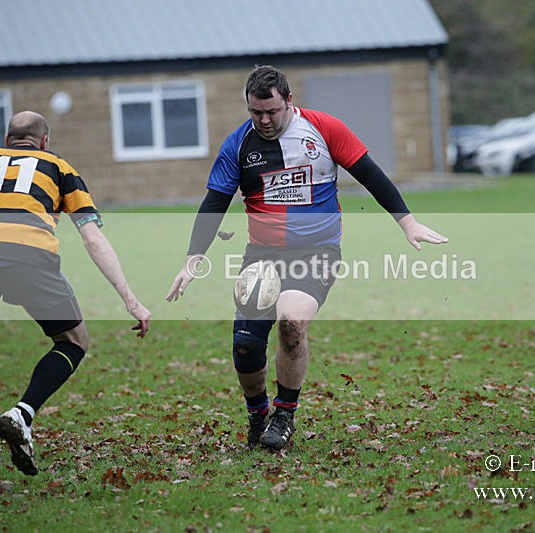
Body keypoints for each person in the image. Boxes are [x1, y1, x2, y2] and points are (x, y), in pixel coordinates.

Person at [166, 65, 447, 451]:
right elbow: (214, 203)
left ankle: (284, 415)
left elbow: (370, 174)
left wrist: (407, 222)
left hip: (317, 253)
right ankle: (257, 414)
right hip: (262, 256)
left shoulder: (325, 129)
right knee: (246, 346)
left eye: (272, 111)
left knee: (292, 322)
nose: (264, 120)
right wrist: (193, 258)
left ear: (289, 101)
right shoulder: (238, 145)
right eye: (255, 113)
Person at [0, 111, 151, 490]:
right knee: (74, 341)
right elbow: (93, 238)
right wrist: (130, 300)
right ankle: (22, 412)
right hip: (29, 257)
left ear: (7, 138)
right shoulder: (59, 167)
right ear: (44, 141)